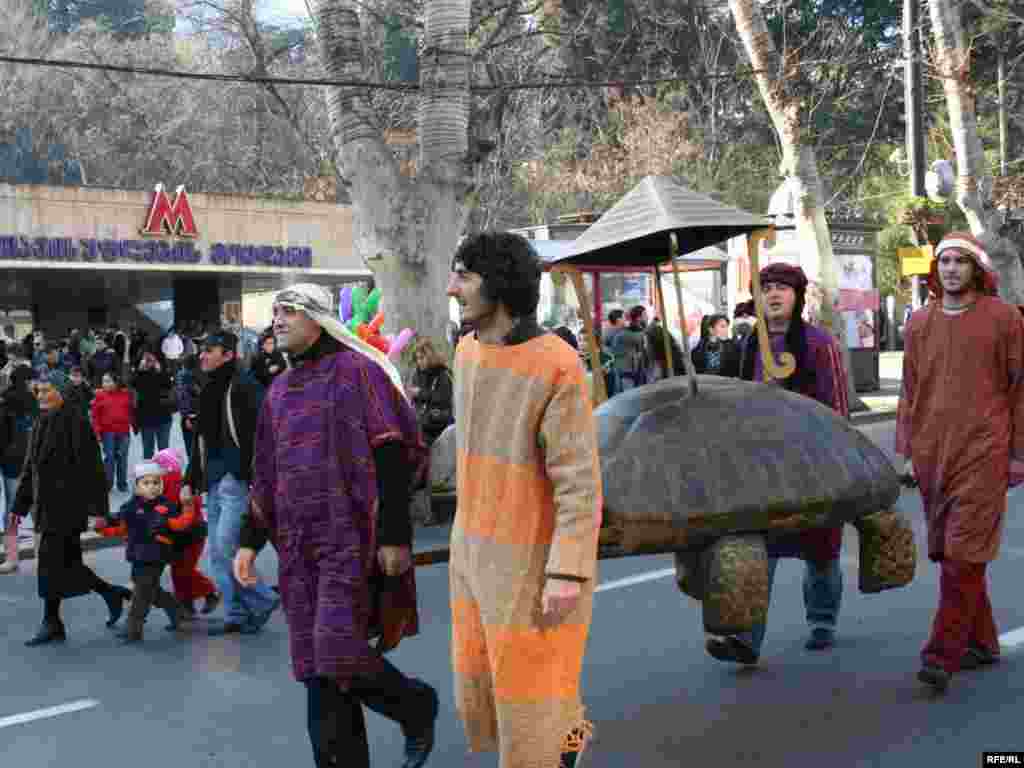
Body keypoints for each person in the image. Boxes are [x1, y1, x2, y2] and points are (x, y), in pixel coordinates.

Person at [235, 284, 438, 768]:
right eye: (276, 312)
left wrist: (394, 536)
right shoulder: (279, 391)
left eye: (290, 311)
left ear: (319, 319)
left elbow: (392, 452)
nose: (279, 319)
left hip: (350, 539)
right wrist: (249, 542)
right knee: (316, 671)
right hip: (297, 548)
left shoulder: (357, 373)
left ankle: (414, 705)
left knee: (336, 650)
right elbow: (265, 474)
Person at [446, 232, 602, 768]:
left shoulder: (557, 362)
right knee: (486, 684)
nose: (452, 288)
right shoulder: (466, 351)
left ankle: (560, 752)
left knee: (534, 693)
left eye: (464, 276)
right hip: (471, 555)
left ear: (500, 283)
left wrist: (567, 570)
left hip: (532, 563)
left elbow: (578, 481)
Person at [896, 232, 1024, 693]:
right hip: (933, 454)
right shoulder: (919, 323)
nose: (951, 268)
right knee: (953, 554)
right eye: (944, 261)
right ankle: (982, 642)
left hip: (985, 452)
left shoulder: (1004, 318)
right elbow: (910, 391)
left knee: (962, 554)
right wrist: (907, 453)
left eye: (960, 261)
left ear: (977, 269)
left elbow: (1020, 390)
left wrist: (1018, 455)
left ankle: (940, 656)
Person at [707, 263, 850, 666]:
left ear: (796, 296)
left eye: (782, 288)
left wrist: (835, 457)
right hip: (762, 465)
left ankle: (822, 620)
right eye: (766, 287)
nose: (773, 294)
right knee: (757, 550)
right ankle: (746, 639)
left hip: (812, 462)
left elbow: (837, 407)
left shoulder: (818, 343)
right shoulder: (750, 344)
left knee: (820, 549)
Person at [10, 370, 132, 646]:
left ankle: (52, 621)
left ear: (62, 393)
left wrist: (99, 511)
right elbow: (31, 468)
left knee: (50, 565)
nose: (40, 396)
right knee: (67, 565)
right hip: (45, 507)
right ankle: (110, 594)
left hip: (67, 507)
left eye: (46, 390)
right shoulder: (40, 421)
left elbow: (93, 468)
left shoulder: (76, 422)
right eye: (38, 391)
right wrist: (20, 505)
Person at [182, 330, 278, 635]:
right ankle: (236, 613)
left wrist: (255, 473)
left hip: (235, 480)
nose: (202, 355)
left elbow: (266, 432)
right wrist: (189, 479)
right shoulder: (208, 387)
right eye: (201, 350)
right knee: (217, 552)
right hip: (213, 480)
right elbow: (200, 440)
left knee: (225, 547)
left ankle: (262, 599)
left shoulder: (245, 386)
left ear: (227, 354)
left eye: (209, 350)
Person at [96, 461, 188, 644]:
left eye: (156, 482)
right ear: (137, 486)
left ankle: (133, 629)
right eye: (146, 483)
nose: (152, 487)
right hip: (137, 554)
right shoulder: (130, 507)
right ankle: (176, 610)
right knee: (151, 590)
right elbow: (120, 527)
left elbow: (179, 524)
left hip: (156, 555)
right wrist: (103, 528)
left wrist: (187, 507)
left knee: (142, 593)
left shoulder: (166, 506)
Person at [152, 448, 220, 617]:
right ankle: (186, 605)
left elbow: (170, 508)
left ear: (166, 468)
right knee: (180, 571)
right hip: (187, 535)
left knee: (183, 571)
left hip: (190, 535)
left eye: (157, 466)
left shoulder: (171, 483)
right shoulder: (175, 482)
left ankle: (209, 592)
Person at [0, 366, 37, 574]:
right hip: (30, 462)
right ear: (26, 381)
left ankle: (11, 557)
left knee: (12, 510)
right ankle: (43, 556)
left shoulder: (5, 401)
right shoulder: (33, 402)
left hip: (11, 464)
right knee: (37, 509)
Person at [92, 372, 134, 493]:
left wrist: (133, 424)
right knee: (109, 458)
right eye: (103, 381)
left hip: (123, 432)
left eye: (108, 381)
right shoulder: (99, 396)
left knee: (122, 458)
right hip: (107, 433)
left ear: (116, 382)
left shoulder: (126, 394)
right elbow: (95, 416)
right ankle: (108, 484)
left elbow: (131, 410)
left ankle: (122, 484)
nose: (104, 384)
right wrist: (97, 431)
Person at [410, 337, 454, 446]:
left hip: (438, 427)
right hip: (422, 426)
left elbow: (444, 398)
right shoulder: (417, 374)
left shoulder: (443, 374)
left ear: (430, 356)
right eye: (417, 358)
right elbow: (416, 402)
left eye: (422, 358)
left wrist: (420, 393)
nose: (419, 362)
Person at [132, 349, 175, 458]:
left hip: (163, 417)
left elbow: (169, 385)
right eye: (146, 360)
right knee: (148, 452)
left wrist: (160, 370)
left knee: (164, 450)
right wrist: (140, 370)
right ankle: (149, 470)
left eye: (151, 359)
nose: (148, 362)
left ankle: (164, 469)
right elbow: (133, 384)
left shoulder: (162, 373)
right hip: (146, 419)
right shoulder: (139, 375)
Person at [174, 354, 201, 462]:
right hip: (194, 415)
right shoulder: (192, 376)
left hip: (189, 416)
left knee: (191, 450)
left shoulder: (182, 376)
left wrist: (186, 416)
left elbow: (183, 398)